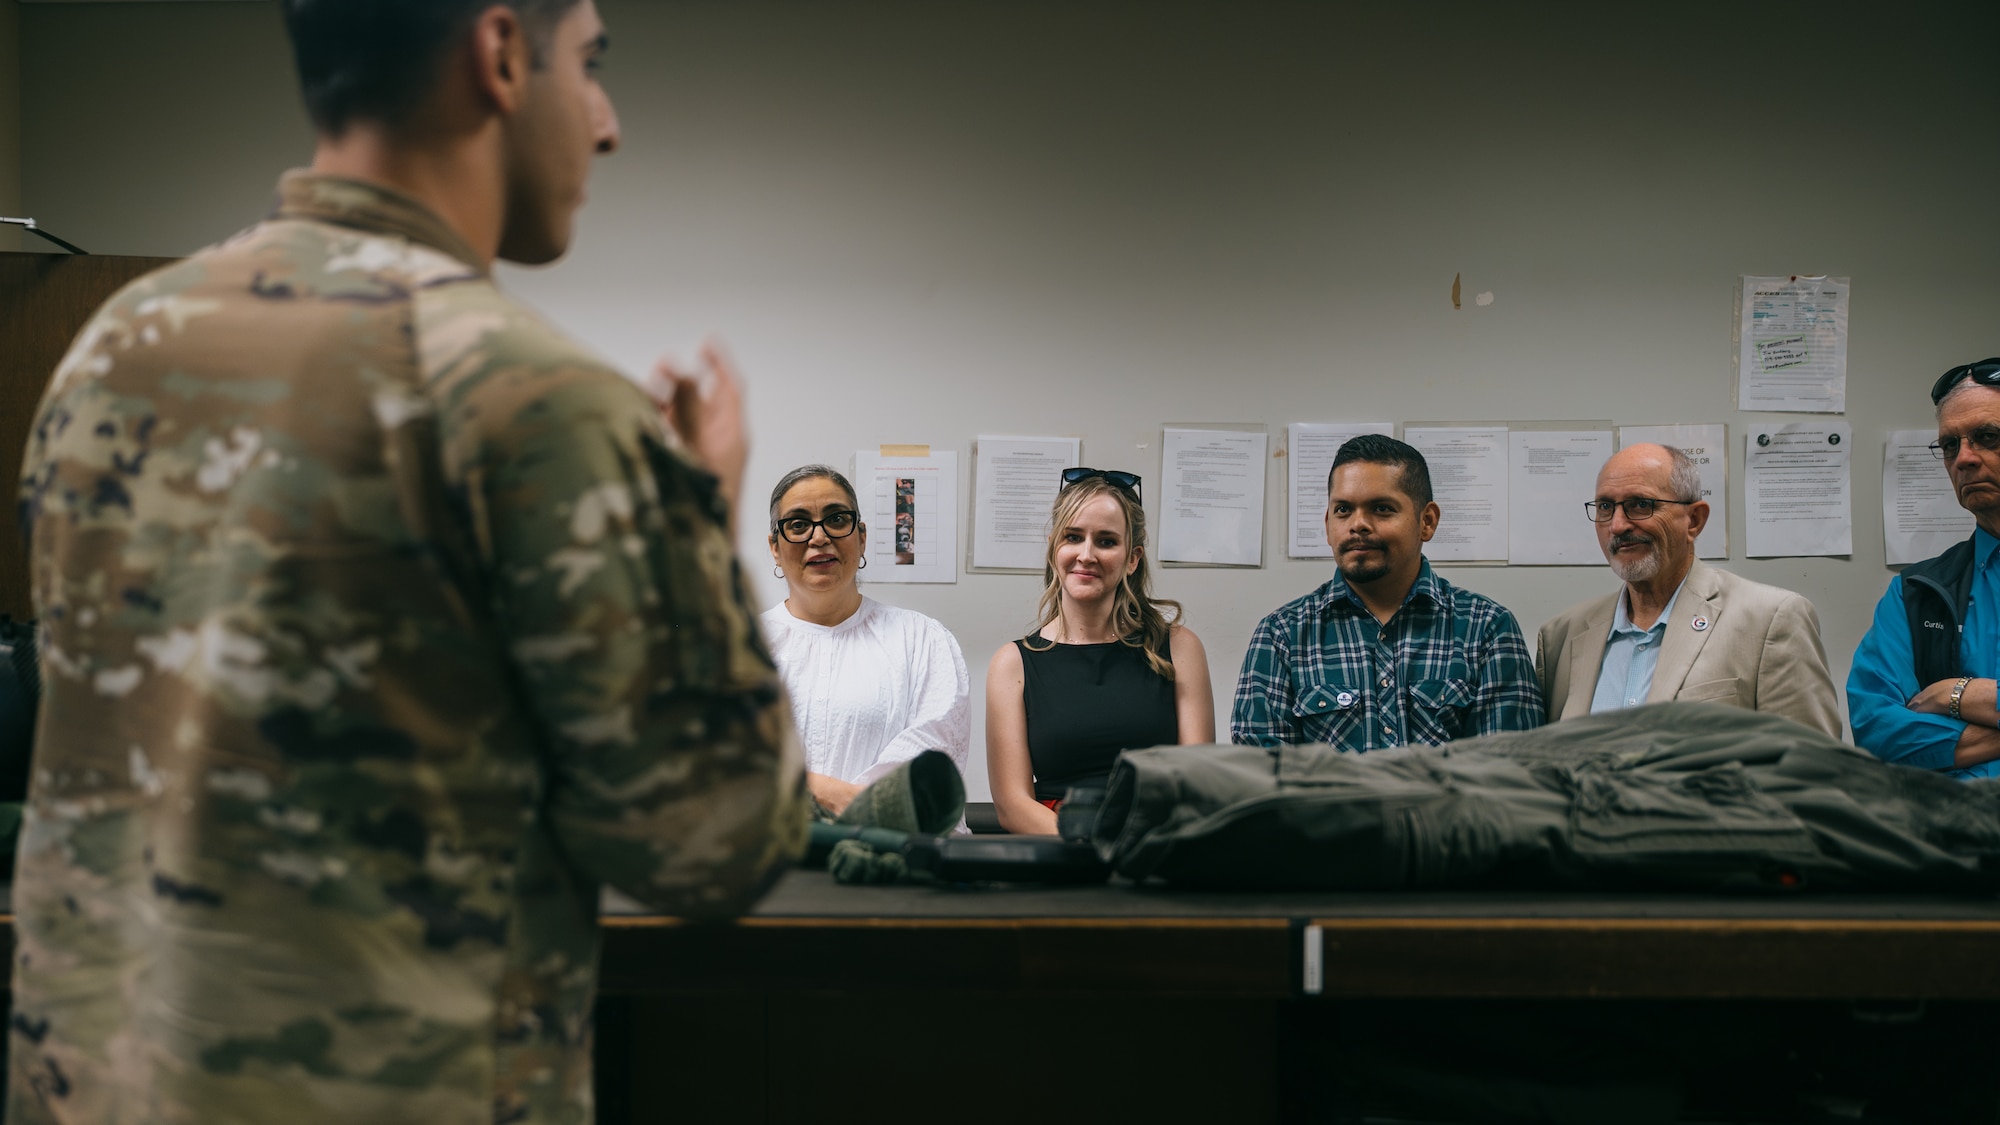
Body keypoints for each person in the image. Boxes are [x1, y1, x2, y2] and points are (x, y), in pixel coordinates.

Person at [7, 3, 808, 1123]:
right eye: (590, 64)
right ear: (498, 55)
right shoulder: (533, 397)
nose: (607, 123)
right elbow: (710, 844)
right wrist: (701, 529)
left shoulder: (112, 345)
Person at [1233, 435, 1541, 749]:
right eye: (1343, 510)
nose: (1358, 524)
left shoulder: (1487, 628)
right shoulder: (1282, 634)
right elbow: (1261, 779)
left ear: (1427, 521)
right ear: (1328, 525)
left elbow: (1510, 772)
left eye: (1381, 508)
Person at [1536, 443, 1841, 736]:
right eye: (1605, 507)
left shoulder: (1771, 620)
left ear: (1693, 520)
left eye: (1640, 504)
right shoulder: (1562, 637)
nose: (1617, 526)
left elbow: (1810, 770)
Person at [986, 469, 1213, 835]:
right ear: (1053, 547)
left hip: (1156, 851)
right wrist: (1092, 847)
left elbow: (1199, 784)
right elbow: (1013, 806)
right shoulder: (1012, 664)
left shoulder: (1179, 647)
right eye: (1073, 537)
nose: (1086, 554)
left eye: (1106, 541)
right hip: (1061, 854)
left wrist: (1135, 849)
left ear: (1133, 558)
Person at [761, 464, 970, 816]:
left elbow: (933, 755)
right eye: (797, 525)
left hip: (890, 855)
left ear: (862, 537)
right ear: (775, 548)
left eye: (836, 519)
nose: (818, 537)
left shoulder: (922, 640)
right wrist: (827, 793)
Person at [1851, 357, 2000, 777]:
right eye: (1950, 445)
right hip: (1950, 834)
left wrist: (1962, 695)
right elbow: (1877, 729)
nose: (1963, 459)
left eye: (1987, 436)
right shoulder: (1917, 590)